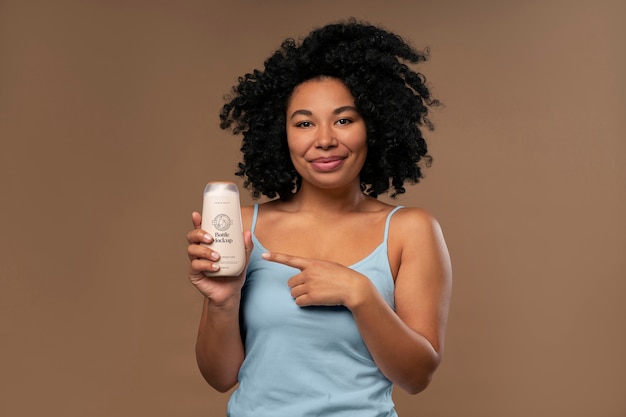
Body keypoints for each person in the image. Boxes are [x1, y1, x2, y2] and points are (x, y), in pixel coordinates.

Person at [186, 19, 452, 417]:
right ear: (282, 135)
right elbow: (221, 376)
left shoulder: (409, 230)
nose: (325, 139)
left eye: (344, 119)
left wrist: (360, 296)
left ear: (373, 128)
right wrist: (223, 303)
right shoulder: (242, 226)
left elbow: (417, 376)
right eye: (304, 123)